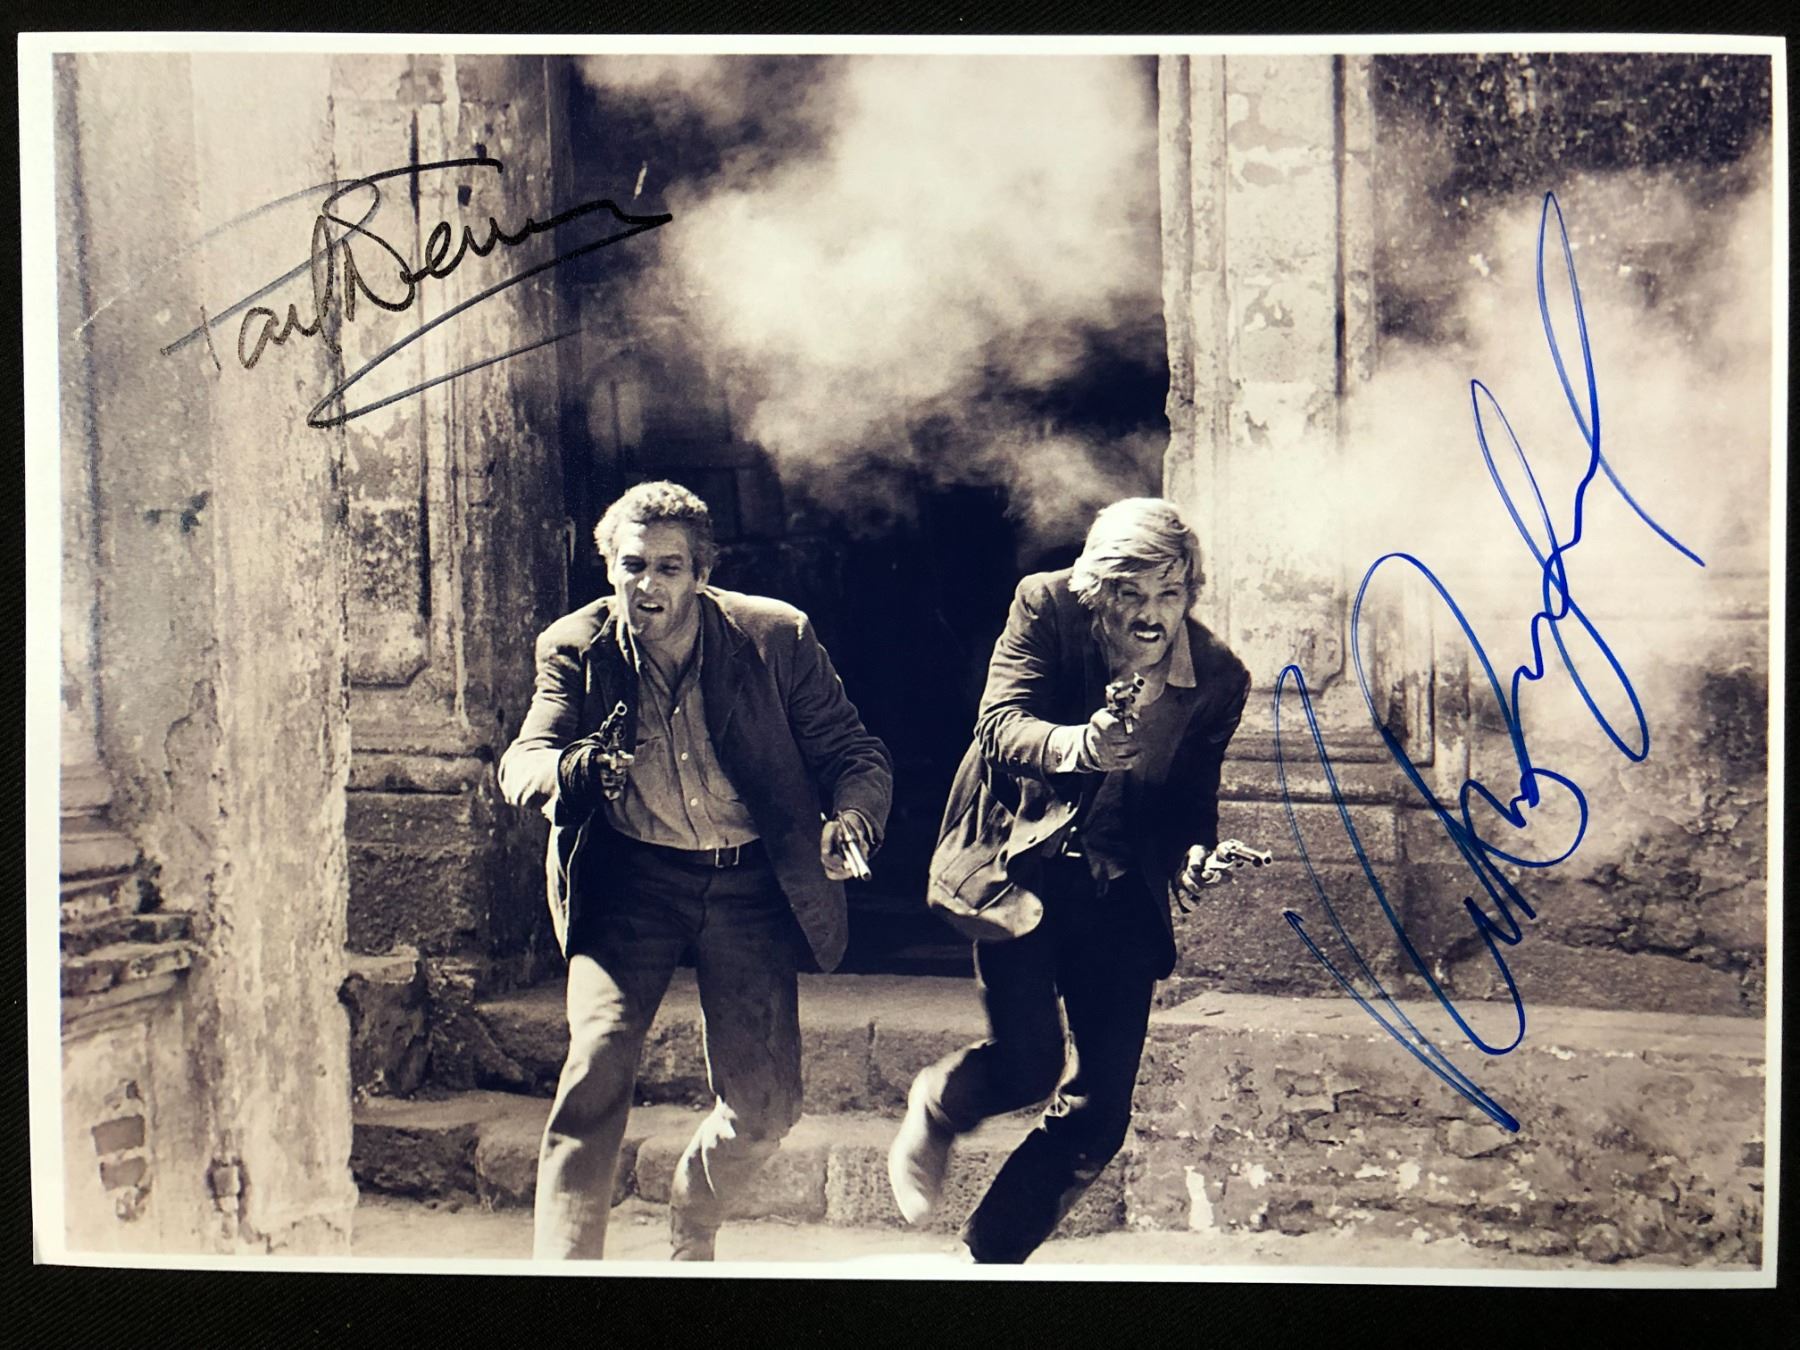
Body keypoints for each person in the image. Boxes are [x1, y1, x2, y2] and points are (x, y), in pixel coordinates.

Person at [499, 480, 893, 1261]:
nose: (646, 586)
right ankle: (563, 1277)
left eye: (668, 568)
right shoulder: (575, 647)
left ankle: (695, 1211)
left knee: (766, 1109)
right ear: (610, 568)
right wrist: (574, 771)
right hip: (630, 885)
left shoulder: (775, 637)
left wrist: (852, 820)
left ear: (702, 575)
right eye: (632, 565)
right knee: (597, 1059)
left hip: (748, 887)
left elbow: (856, 754)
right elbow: (524, 760)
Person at [887, 496, 1252, 1263]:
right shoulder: (1047, 607)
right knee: (1028, 1067)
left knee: (1099, 1113)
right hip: (1021, 869)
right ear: (1096, 592)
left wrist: (1195, 857)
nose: (1151, 615)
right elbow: (1000, 724)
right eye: (1130, 593)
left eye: (1170, 593)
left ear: (1190, 591)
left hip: (1118, 893)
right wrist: (1080, 746)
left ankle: (985, 1260)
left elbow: (1190, 803)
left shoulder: (1218, 677)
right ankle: (940, 1106)